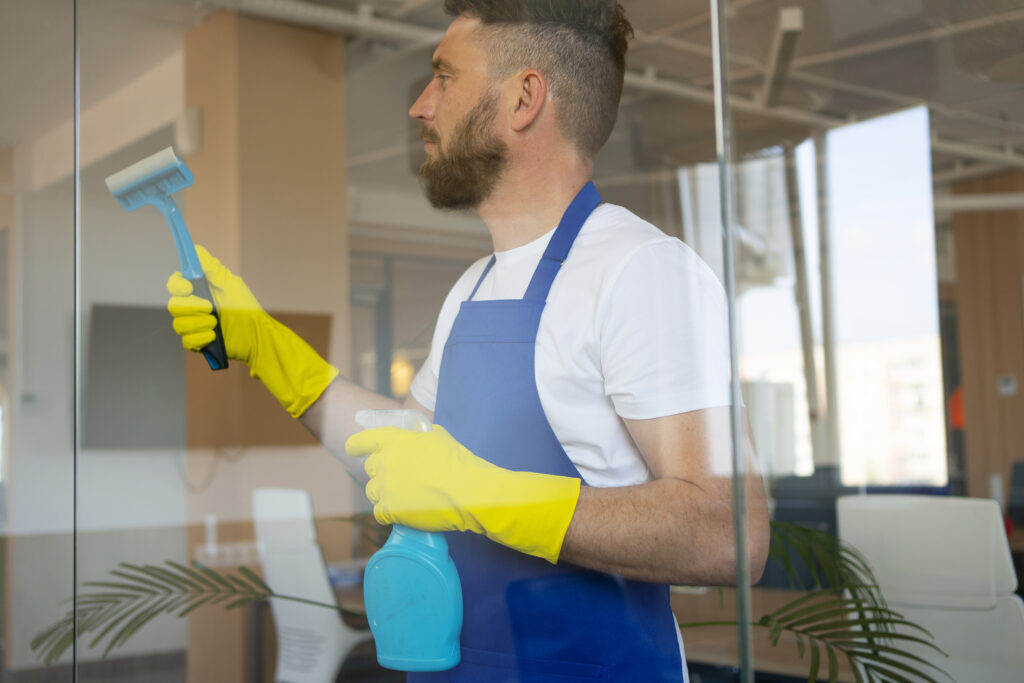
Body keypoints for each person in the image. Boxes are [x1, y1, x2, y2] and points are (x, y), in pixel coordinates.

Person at [167, 1, 770, 680]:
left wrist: (483, 495)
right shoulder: (474, 288)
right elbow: (400, 457)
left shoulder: (639, 271)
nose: (421, 105)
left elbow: (725, 533)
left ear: (524, 98)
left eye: (444, 77)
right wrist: (273, 351)